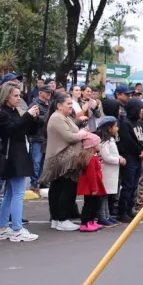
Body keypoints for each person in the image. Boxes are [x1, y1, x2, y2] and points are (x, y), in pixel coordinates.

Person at [0, 82, 41, 242]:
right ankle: (17, 228)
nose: (18, 98)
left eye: (19, 95)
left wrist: (33, 118)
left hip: (18, 153)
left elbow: (28, 130)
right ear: (7, 96)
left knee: (10, 193)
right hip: (13, 155)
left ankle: (2, 227)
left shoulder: (14, 111)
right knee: (18, 193)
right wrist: (27, 115)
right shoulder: (3, 113)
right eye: (15, 95)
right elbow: (12, 130)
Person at [40, 92, 89, 230]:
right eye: (68, 104)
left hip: (63, 159)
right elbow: (69, 137)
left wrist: (79, 131)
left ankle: (57, 219)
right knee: (66, 189)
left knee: (59, 188)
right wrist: (82, 134)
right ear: (59, 106)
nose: (71, 106)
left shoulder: (63, 117)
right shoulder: (57, 118)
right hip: (62, 161)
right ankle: (62, 218)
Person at [116, 99, 143, 223]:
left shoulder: (138, 123)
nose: (142, 111)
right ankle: (122, 212)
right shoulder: (125, 123)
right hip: (130, 157)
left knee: (134, 185)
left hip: (138, 157)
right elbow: (128, 141)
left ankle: (130, 209)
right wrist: (140, 151)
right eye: (140, 108)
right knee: (128, 186)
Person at [96, 116, 123, 227]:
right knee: (103, 195)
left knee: (106, 195)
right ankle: (102, 217)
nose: (117, 128)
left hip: (111, 171)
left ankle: (107, 215)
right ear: (109, 128)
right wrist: (119, 159)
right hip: (106, 171)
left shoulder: (110, 140)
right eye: (115, 126)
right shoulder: (104, 142)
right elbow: (106, 157)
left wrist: (118, 157)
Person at [77, 133, 107, 232]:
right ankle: (85, 223)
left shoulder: (94, 157)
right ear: (92, 146)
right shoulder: (91, 159)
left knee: (95, 204)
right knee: (89, 205)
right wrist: (94, 188)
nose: (100, 145)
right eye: (98, 144)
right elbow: (91, 175)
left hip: (95, 185)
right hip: (91, 187)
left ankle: (91, 221)